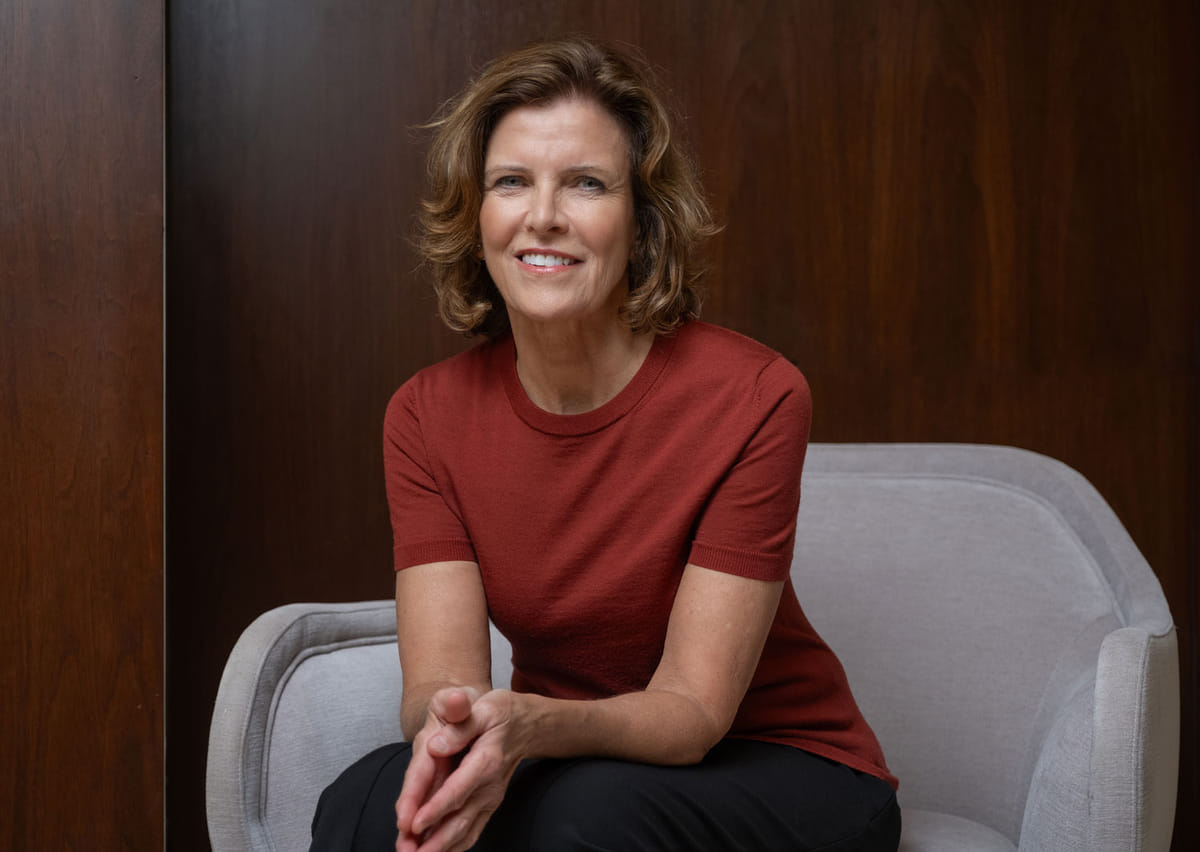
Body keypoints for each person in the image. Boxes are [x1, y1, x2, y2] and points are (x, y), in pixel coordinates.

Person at [311, 35, 900, 852]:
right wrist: (457, 731)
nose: (543, 216)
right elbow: (439, 681)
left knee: (585, 818)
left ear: (642, 220)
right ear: (475, 215)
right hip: (570, 760)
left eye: (586, 183)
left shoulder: (754, 396)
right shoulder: (425, 416)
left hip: (785, 766)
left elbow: (693, 710)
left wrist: (531, 729)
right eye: (511, 182)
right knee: (364, 803)